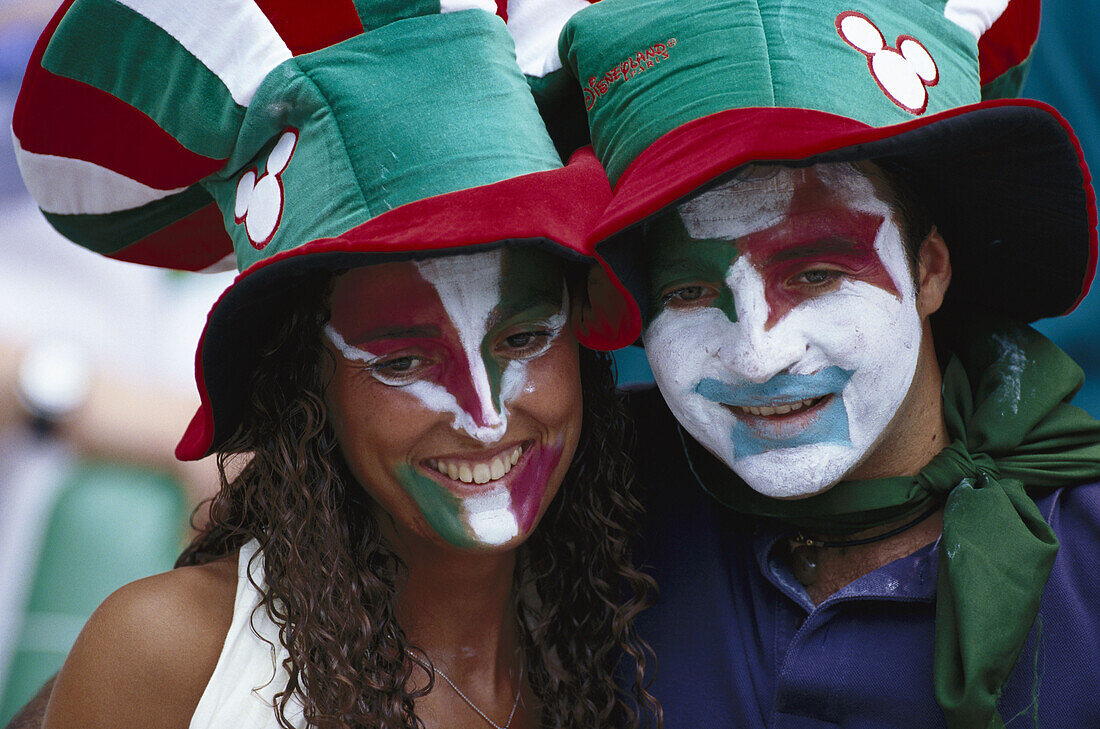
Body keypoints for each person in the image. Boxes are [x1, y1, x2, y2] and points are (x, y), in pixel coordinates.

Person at [10, 3, 661, 728]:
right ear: (304, 383)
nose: (485, 413)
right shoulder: (172, 654)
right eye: (403, 359)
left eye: (523, 337)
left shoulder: (639, 627)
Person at [545, 0, 1100, 727]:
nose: (759, 354)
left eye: (814, 275)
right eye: (687, 291)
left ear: (930, 270)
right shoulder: (592, 510)